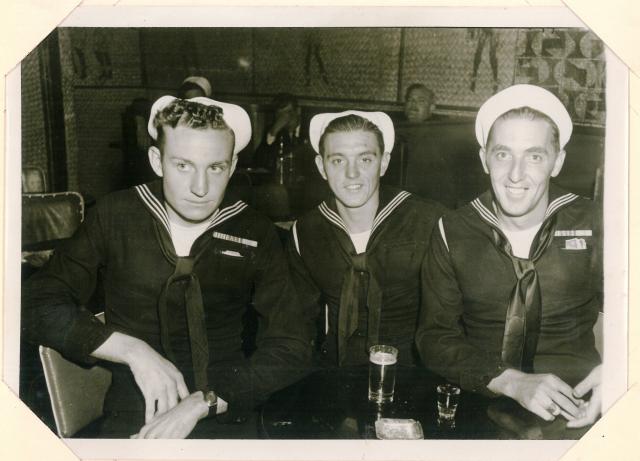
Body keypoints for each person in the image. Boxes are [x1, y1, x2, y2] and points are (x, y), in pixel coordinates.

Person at [22, 96, 312, 438]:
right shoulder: (115, 216)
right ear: (157, 161)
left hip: (225, 409)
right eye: (183, 166)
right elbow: (34, 303)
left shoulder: (253, 230)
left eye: (215, 167)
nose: (200, 188)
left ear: (233, 166)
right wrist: (133, 351)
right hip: (136, 413)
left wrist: (205, 402)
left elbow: (292, 344)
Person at [416, 84, 602, 428]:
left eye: (534, 156)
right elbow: (434, 337)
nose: (516, 174)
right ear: (484, 158)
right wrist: (510, 381)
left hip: (579, 405)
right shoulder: (452, 230)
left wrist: (620, 371)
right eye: (503, 154)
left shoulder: (595, 223)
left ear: (558, 162)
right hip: (483, 395)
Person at [287, 110, 444, 367]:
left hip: (414, 371)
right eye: (338, 160)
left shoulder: (427, 221)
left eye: (365, 159)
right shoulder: (307, 231)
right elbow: (297, 325)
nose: (352, 173)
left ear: (383, 163)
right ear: (321, 167)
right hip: (335, 371)